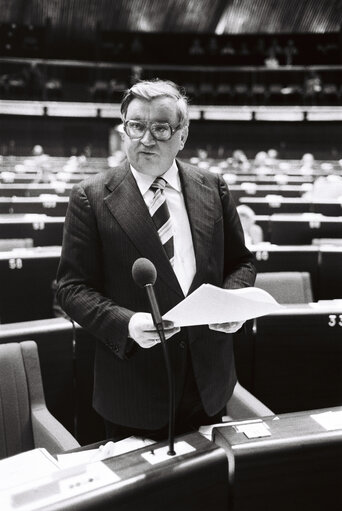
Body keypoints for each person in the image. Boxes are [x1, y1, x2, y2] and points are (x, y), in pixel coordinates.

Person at [56, 79, 256, 442]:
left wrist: (231, 303)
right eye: (136, 126)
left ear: (182, 136)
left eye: (160, 128)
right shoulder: (90, 197)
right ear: (124, 130)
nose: (146, 139)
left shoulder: (214, 187)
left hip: (208, 381)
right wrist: (127, 323)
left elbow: (242, 264)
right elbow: (71, 289)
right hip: (134, 388)